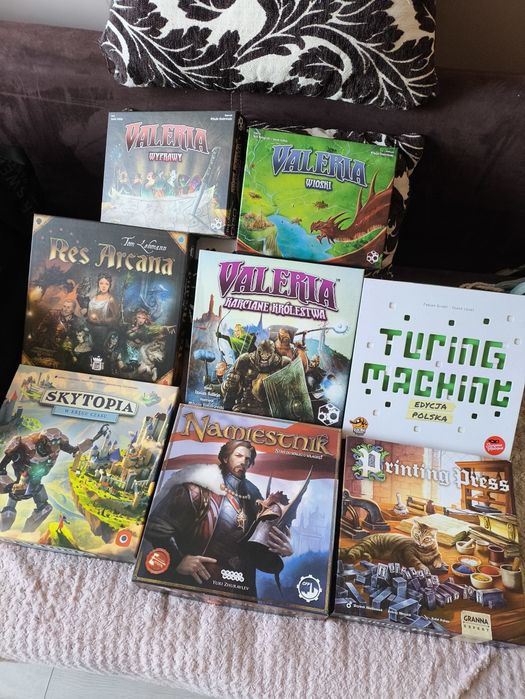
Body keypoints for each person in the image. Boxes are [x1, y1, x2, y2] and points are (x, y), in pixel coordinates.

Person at [143, 439, 293, 597]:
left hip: (239, 584)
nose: (243, 461)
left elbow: (257, 543)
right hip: (199, 579)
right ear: (226, 458)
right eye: (238, 456)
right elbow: (156, 526)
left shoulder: (253, 495)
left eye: (248, 459)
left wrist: (283, 550)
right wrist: (178, 559)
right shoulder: (197, 489)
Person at [80, 274, 119, 352]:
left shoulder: (110, 299)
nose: (103, 286)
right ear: (98, 284)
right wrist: (87, 315)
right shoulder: (94, 297)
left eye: (106, 284)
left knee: (98, 350)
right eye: (101, 283)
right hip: (90, 327)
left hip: (102, 330)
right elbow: (89, 313)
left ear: (109, 285)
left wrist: (102, 321)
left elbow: (116, 317)